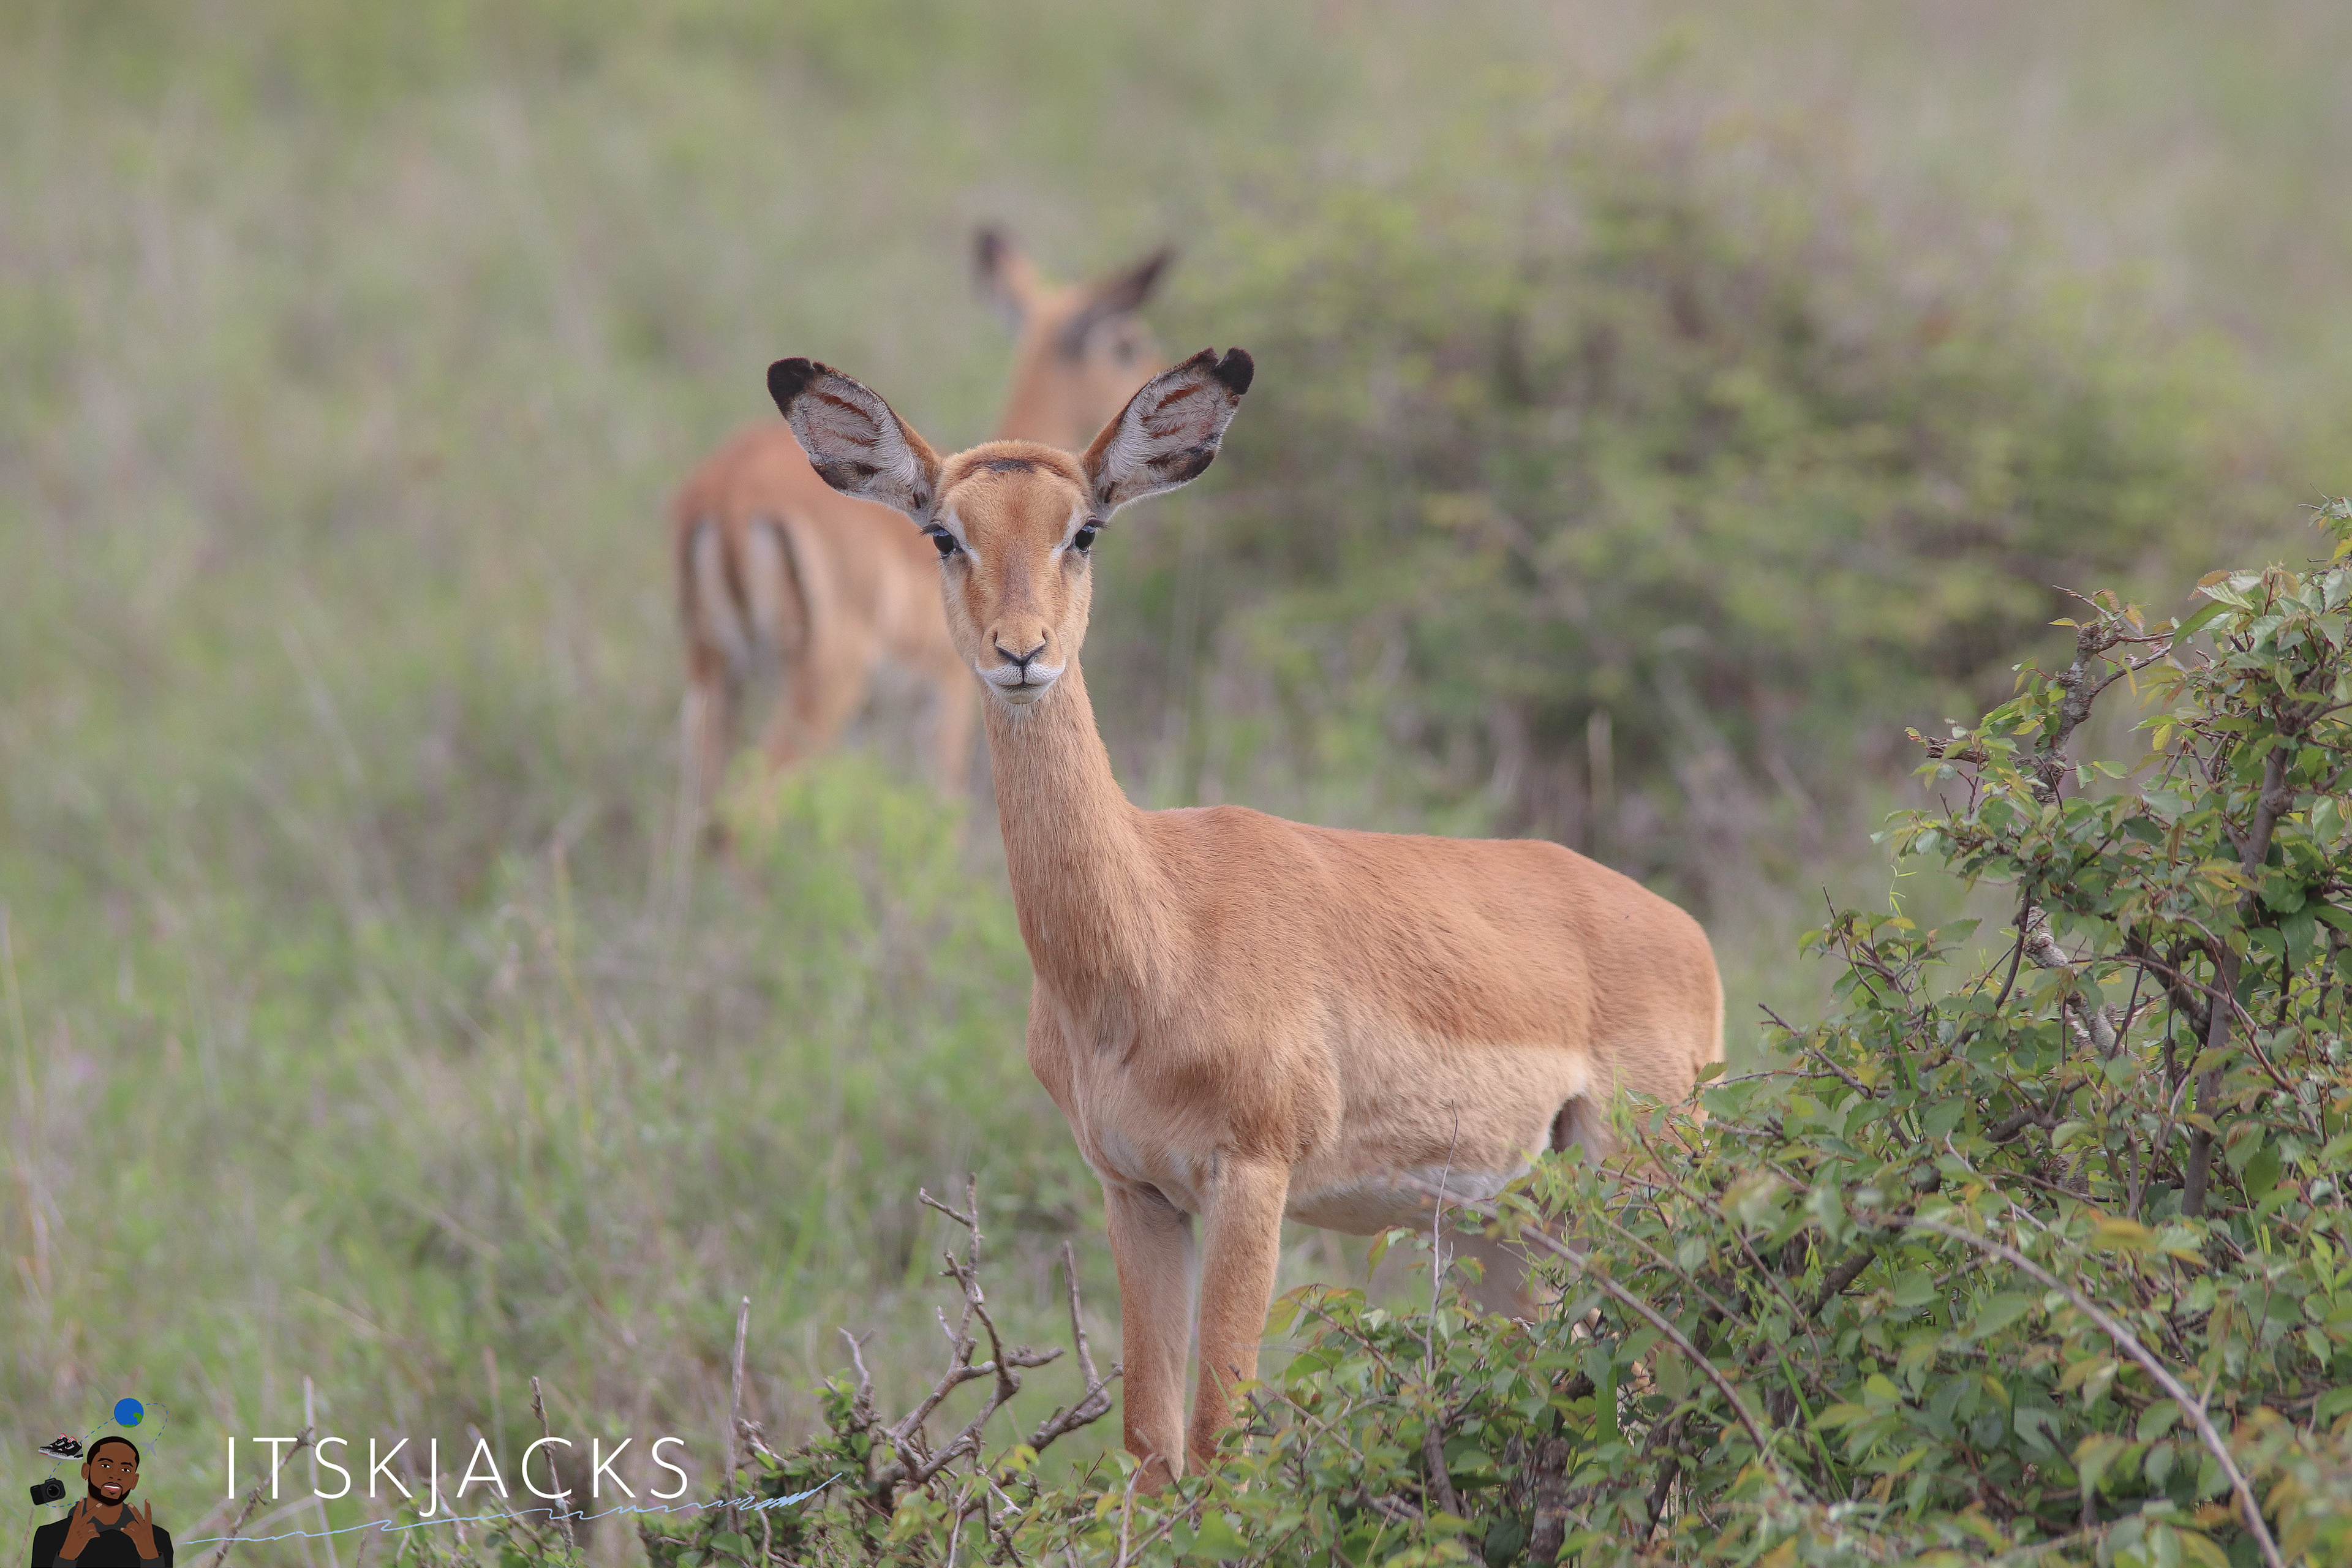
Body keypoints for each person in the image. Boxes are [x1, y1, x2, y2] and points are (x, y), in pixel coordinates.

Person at [29, 1438, 169, 1568]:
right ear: (86, 1471)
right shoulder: (48, 1537)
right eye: (106, 1465)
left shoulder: (156, 1539)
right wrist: (67, 1557)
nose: (115, 1475)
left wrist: (151, 1559)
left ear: (134, 1481)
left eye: (126, 1470)